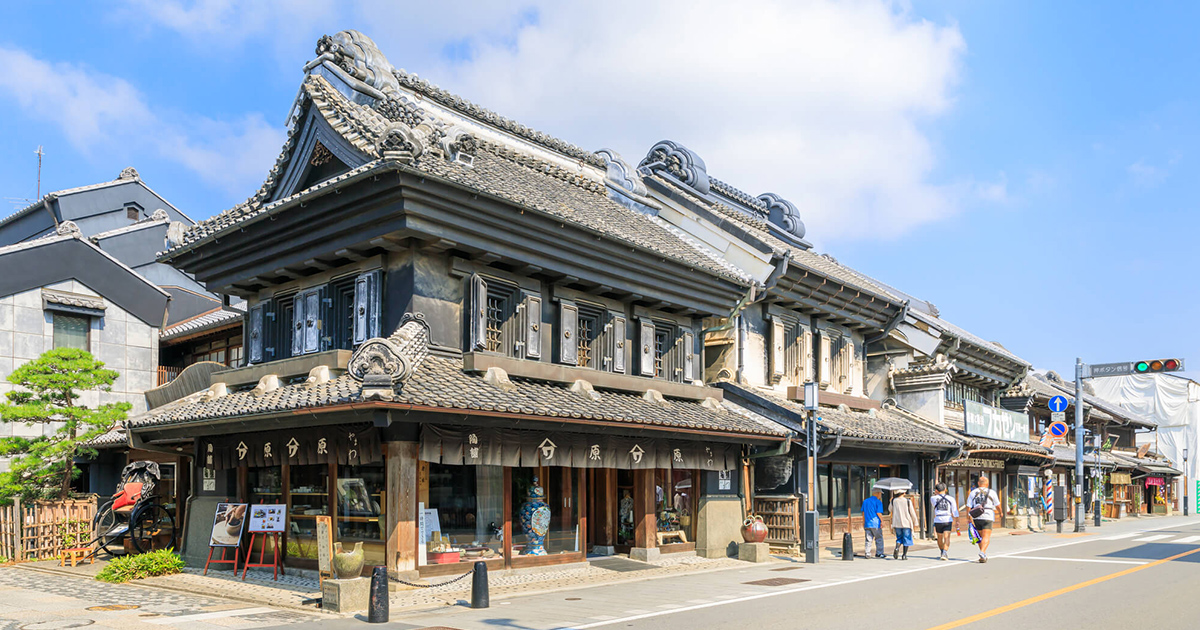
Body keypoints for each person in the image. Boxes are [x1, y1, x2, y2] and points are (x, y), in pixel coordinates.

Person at [967, 476, 1001, 563]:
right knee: (986, 536)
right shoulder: (992, 492)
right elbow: (997, 504)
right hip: (988, 515)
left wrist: (969, 517)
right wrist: (1000, 512)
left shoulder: (973, 492)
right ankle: (982, 552)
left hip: (976, 516)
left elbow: (969, 506)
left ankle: (983, 554)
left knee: (979, 536)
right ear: (987, 483)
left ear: (978, 483)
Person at [930, 482, 959, 561]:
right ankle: (944, 552)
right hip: (947, 519)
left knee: (939, 537)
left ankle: (942, 551)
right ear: (946, 489)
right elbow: (955, 511)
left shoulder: (933, 498)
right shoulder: (951, 498)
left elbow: (933, 505)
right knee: (947, 537)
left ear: (936, 490)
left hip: (938, 519)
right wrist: (957, 521)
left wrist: (936, 493)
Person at [890, 488, 918, 560]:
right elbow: (912, 512)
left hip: (897, 523)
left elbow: (890, 509)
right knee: (907, 539)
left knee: (899, 537)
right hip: (906, 523)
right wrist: (915, 522)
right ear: (904, 493)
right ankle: (904, 555)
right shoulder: (907, 501)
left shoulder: (894, 501)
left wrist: (891, 501)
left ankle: (897, 547)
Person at [861, 490, 886, 559]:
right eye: (880, 493)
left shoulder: (865, 501)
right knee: (879, 538)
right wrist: (882, 521)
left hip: (867, 523)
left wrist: (863, 522)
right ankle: (879, 553)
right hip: (876, 523)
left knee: (868, 539)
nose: (880, 495)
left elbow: (863, 513)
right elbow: (879, 513)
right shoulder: (878, 502)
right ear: (878, 493)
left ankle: (867, 553)